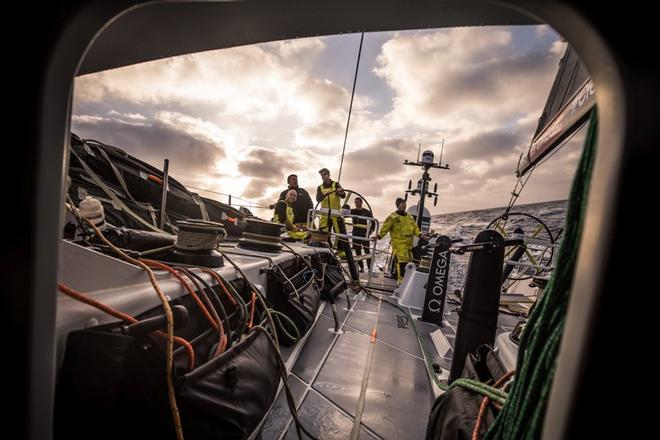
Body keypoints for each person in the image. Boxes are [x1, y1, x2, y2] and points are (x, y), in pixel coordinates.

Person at [377, 197, 423, 283]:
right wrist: (379, 236)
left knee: (410, 264)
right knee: (402, 264)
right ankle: (401, 282)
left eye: (405, 203)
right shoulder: (393, 217)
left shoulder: (410, 217)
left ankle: (408, 281)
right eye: (402, 204)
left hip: (409, 246)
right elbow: (385, 227)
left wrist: (420, 234)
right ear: (397, 205)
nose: (404, 205)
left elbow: (415, 228)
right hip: (399, 246)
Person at [350, 197, 373, 272]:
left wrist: (370, 232)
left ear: (361, 203)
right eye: (355, 202)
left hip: (364, 234)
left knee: (367, 251)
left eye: (358, 202)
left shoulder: (366, 212)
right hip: (355, 234)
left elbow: (373, 222)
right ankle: (361, 268)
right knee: (357, 251)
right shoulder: (352, 211)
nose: (357, 204)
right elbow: (344, 214)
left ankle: (370, 268)